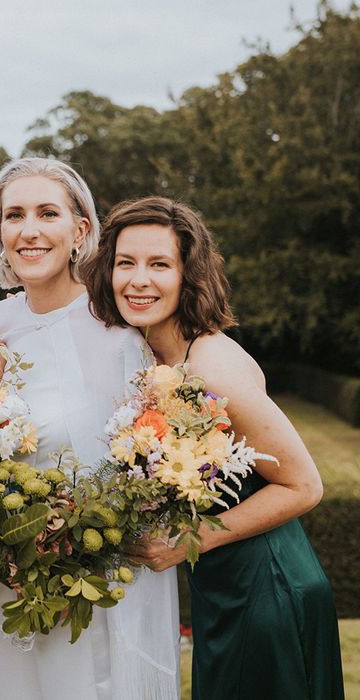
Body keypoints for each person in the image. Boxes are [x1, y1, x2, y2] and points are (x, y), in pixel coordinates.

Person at [85, 195, 345, 699]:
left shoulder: (210, 366)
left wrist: (186, 544)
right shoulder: (161, 357)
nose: (139, 279)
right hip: (226, 591)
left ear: (188, 275)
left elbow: (303, 485)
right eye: (125, 263)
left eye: (159, 264)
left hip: (268, 587)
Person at [0, 158, 180, 700]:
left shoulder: (120, 330)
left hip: (101, 580)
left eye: (48, 212)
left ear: (81, 229)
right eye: (13, 215)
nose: (29, 229)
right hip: (18, 580)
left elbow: (156, 461)